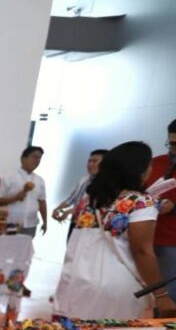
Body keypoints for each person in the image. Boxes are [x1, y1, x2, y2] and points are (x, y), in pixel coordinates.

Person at [55, 141, 176, 319]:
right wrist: (161, 295)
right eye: (149, 165)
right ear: (139, 171)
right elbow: (142, 251)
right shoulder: (141, 202)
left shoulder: (90, 199)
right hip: (116, 287)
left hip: (75, 280)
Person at [53, 149, 107, 241]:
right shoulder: (84, 180)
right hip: (75, 222)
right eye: (89, 161)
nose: (90, 164)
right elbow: (71, 199)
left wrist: (71, 211)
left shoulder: (107, 184)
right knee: (70, 247)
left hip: (91, 226)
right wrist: (57, 208)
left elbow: (94, 206)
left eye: (94, 161)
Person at [149, 118, 176, 301]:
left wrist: (173, 207)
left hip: (172, 243)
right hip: (144, 238)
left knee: (168, 296)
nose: (173, 149)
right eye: (171, 143)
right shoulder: (155, 163)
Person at [0, 146, 47, 237]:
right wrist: (16, 198)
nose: (37, 161)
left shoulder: (40, 180)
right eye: (34, 157)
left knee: (26, 246)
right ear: (23, 158)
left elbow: (42, 202)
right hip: (11, 222)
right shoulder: (9, 177)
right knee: (8, 246)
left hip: (31, 224)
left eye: (39, 158)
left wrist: (45, 221)